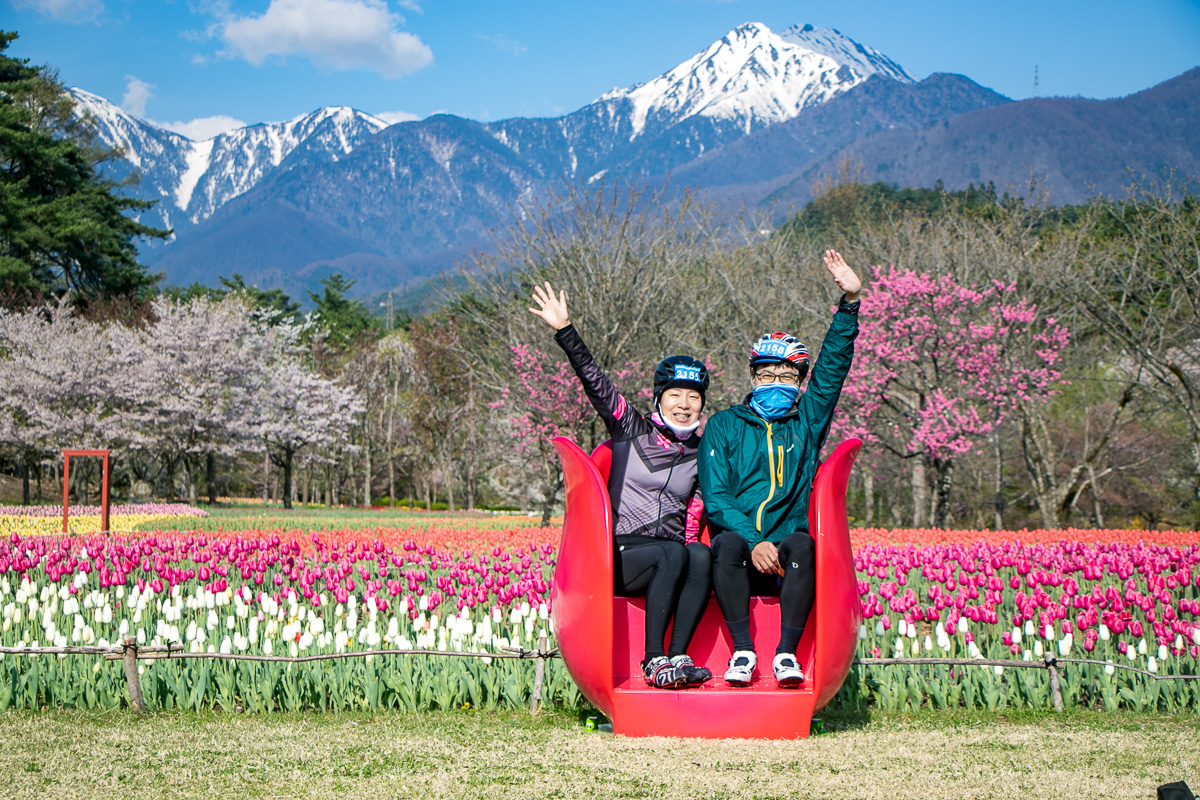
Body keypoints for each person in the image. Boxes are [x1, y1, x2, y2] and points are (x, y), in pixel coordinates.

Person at [529, 281, 713, 689]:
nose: (684, 404)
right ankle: (653, 660)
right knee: (674, 554)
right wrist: (565, 331)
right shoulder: (633, 430)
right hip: (621, 556)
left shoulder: (703, 451)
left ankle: (679, 656)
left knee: (698, 556)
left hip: (671, 559)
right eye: (675, 395)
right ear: (659, 399)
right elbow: (596, 383)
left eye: (694, 397)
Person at [697, 250, 862, 688]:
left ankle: (786, 654)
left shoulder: (805, 423)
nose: (775, 383)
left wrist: (850, 302)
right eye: (766, 374)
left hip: (787, 548)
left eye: (787, 376)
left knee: (804, 546)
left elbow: (832, 372)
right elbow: (716, 498)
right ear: (752, 377)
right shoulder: (724, 425)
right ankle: (744, 652)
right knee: (727, 542)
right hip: (738, 549)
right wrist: (755, 541)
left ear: (799, 381)